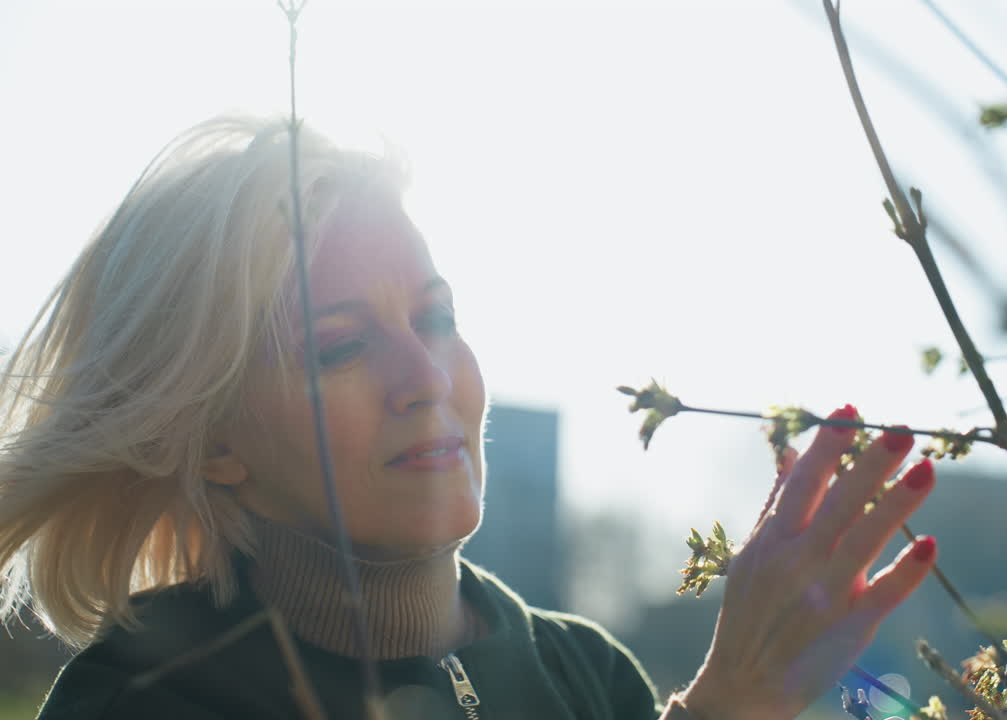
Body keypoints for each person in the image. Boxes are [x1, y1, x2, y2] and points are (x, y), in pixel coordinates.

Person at [0, 116, 939, 719]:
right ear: (216, 444)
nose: (426, 377)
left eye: (436, 318)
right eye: (340, 346)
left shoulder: (587, 678)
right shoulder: (142, 699)